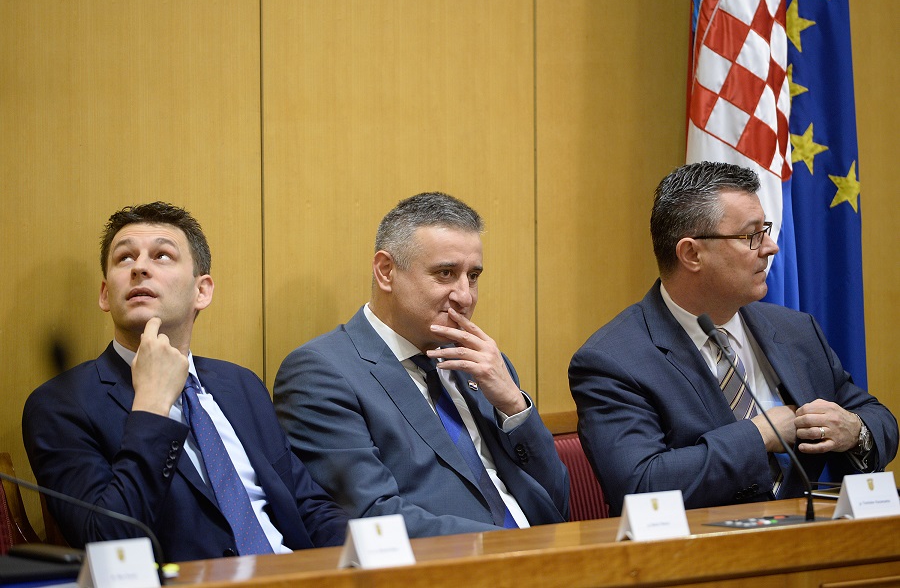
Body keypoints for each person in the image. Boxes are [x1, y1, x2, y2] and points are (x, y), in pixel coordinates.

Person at [23, 202, 348, 562]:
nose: (140, 268)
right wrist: (151, 405)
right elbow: (110, 541)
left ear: (202, 291)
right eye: (124, 258)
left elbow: (307, 505)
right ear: (105, 294)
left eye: (162, 255)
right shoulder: (61, 405)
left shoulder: (240, 385)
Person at [570, 162, 898, 516]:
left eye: (766, 230)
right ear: (691, 254)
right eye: (751, 236)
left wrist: (854, 429)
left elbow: (877, 417)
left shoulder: (796, 330)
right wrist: (761, 435)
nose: (771, 247)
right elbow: (640, 485)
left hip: (813, 544)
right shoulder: (613, 360)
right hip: (699, 557)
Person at [274, 192, 570, 537]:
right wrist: (508, 549)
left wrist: (513, 406)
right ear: (386, 271)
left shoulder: (484, 364)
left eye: (473, 276)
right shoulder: (321, 373)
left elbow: (556, 502)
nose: (465, 296)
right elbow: (374, 516)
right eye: (446, 273)